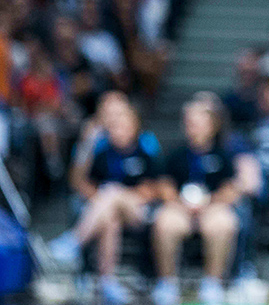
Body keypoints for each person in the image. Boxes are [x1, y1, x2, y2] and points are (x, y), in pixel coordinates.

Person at [49, 102, 163, 305]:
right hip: (111, 210)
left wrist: (119, 195)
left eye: (124, 126)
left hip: (139, 211)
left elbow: (154, 189)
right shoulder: (103, 153)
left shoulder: (144, 151)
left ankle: (74, 241)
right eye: (115, 127)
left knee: (111, 191)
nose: (118, 131)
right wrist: (104, 200)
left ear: (135, 128)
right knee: (110, 220)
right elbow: (85, 184)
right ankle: (107, 282)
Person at [150, 92, 242, 305]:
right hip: (180, 208)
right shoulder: (176, 154)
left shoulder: (223, 155)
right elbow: (164, 185)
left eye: (198, 121)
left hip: (211, 208)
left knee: (225, 223)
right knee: (164, 222)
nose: (192, 126)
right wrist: (180, 203)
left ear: (212, 125)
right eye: (189, 122)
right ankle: (167, 283)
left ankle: (212, 283)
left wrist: (209, 203)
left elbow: (231, 189)